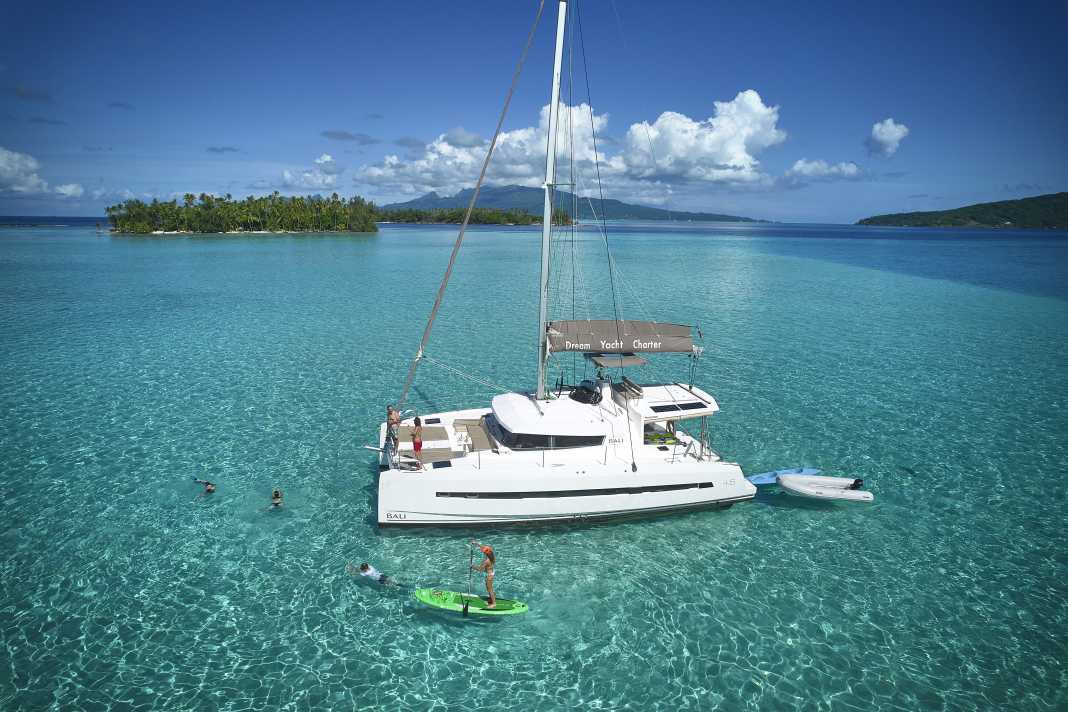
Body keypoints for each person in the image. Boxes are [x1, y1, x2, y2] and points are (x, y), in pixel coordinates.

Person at [470, 540, 496, 608]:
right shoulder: (492, 555)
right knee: (489, 588)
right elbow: (483, 547)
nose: (483, 551)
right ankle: (491, 598)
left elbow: (480, 569)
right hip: (491, 573)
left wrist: (473, 566)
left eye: (484, 552)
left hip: (489, 575)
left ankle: (494, 603)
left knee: (489, 589)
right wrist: (476, 543)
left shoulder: (486, 561)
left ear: (486, 553)